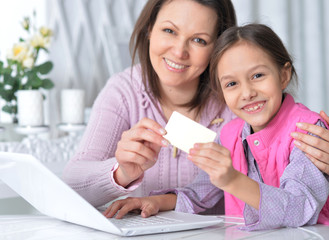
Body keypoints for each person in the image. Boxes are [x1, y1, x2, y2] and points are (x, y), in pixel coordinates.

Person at [63, 0, 329, 209]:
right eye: (169, 30)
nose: (179, 51)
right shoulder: (124, 91)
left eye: (199, 40)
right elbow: (69, 187)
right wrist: (122, 174)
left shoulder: (242, 108)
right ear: (149, 31)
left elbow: (297, 196)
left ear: (218, 48)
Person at [103, 24, 329, 230]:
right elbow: (198, 194)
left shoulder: (309, 131)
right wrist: (153, 202)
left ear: (283, 75)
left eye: (258, 75)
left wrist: (232, 180)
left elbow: (300, 209)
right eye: (231, 84)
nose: (247, 93)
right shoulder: (229, 135)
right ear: (221, 93)